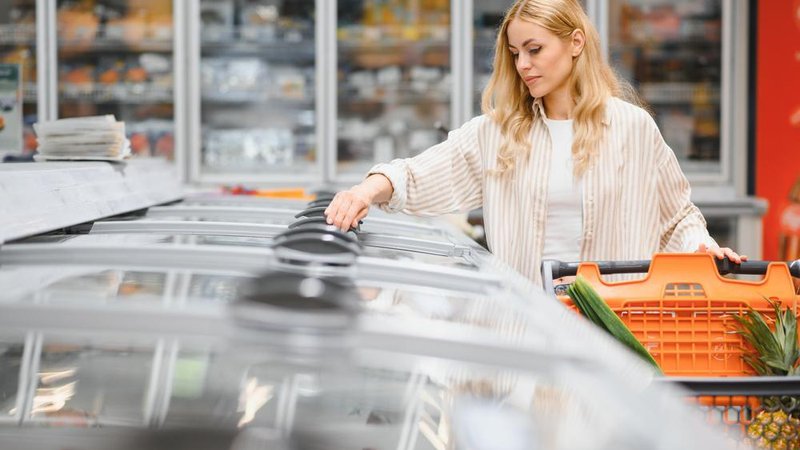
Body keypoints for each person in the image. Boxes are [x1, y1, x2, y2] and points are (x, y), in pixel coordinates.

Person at [323, 0, 745, 286]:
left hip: (616, 331)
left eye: (535, 49)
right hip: (529, 333)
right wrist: (366, 190)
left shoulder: (632, 128)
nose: (523, 64)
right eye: (515, 53)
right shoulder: (501, 133)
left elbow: (675, 217)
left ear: (576, 43)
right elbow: (418, 174)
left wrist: (703, 248)